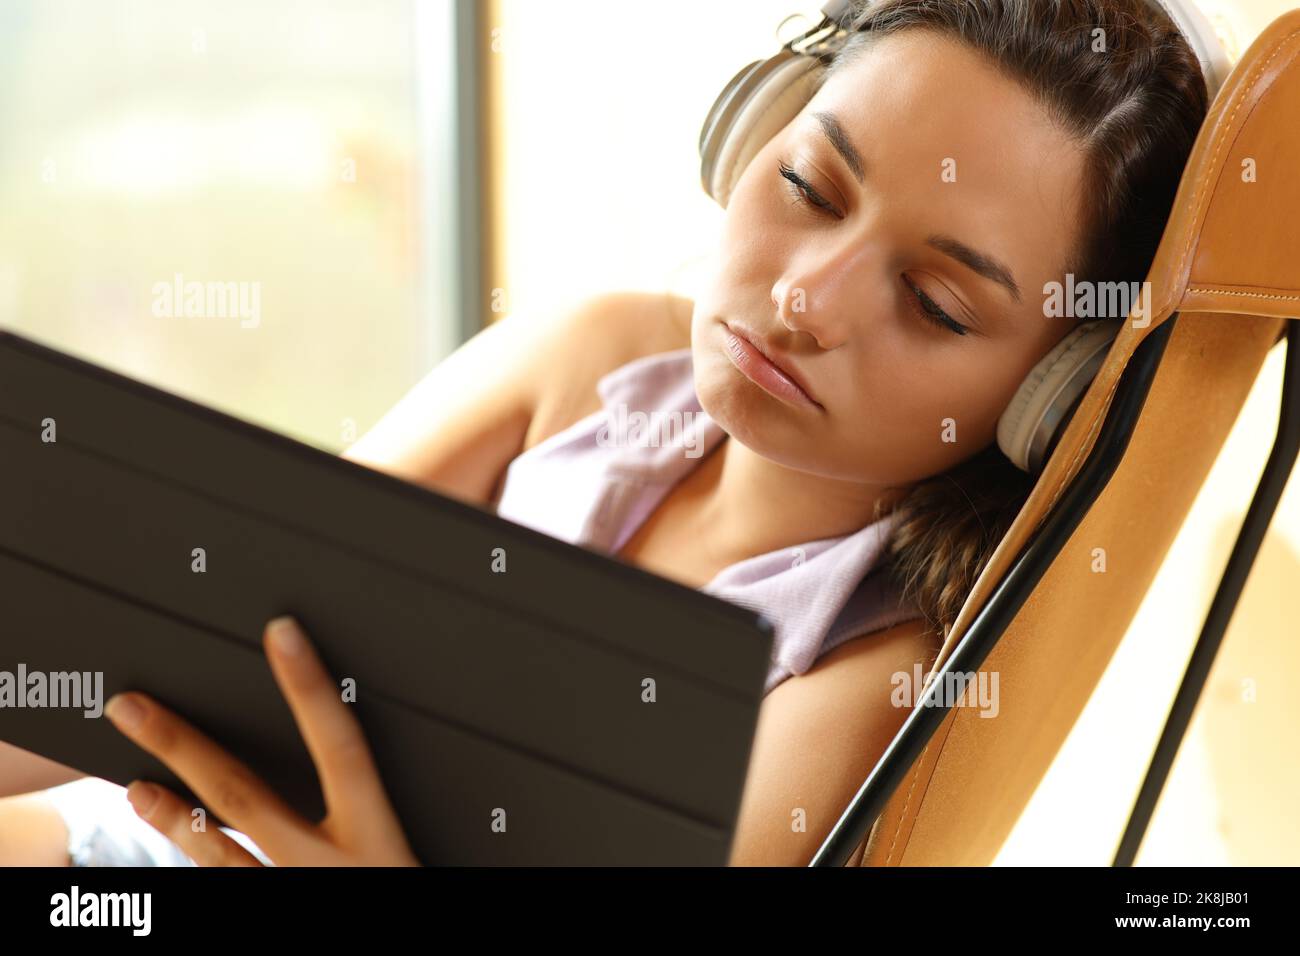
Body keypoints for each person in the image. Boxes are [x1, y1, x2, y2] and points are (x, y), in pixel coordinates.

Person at [0, 0, 1209, 866]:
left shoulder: (869, 676)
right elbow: (187, 654)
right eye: (808, 188)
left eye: (937, 303)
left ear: (1050, 387)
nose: (807, 299)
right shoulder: (589, 359)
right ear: (754, 134)